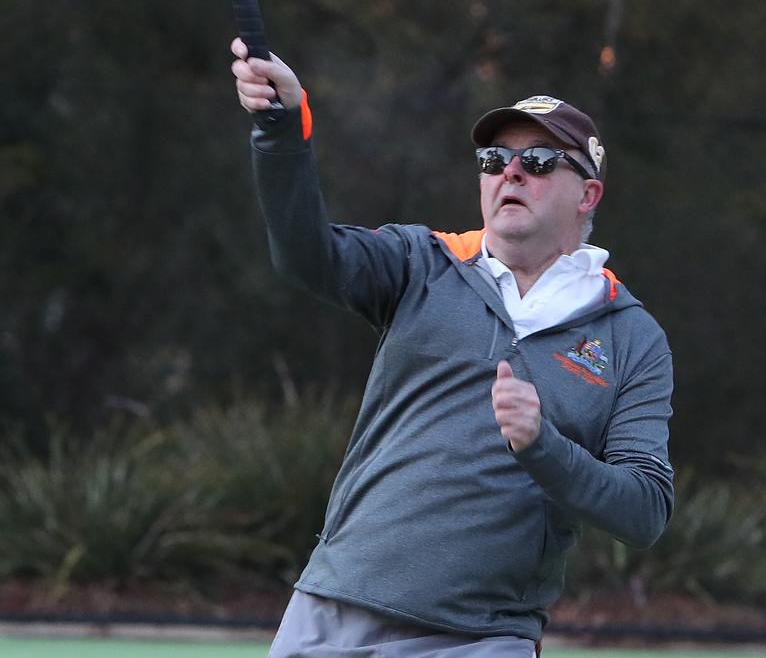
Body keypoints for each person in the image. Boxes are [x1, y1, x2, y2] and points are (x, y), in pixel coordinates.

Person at [231, 40, 674, 658]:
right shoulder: (422, 261)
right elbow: (305, 255)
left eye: (540, 161)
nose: (510, 173)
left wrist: (543, 447)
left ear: (588, 194)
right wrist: (282, 131)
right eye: (495, 159)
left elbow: (645, 511)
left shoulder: (631, 338)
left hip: (484, 640)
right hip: (333, 611)